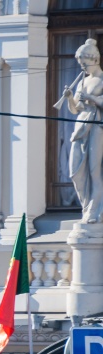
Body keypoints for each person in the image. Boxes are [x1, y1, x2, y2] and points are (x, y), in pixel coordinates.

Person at [63, 39, 103, 223]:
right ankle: (85, 206)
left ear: (93, 59)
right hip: (81, 125)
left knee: (95, 171)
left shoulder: (101, 79)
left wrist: (90, 98)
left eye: (83, 62)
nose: (81, 66)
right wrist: (70, 98)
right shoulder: (83, 81)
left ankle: (94, 211)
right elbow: (76, 109)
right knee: (76, 172)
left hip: (97, 126)